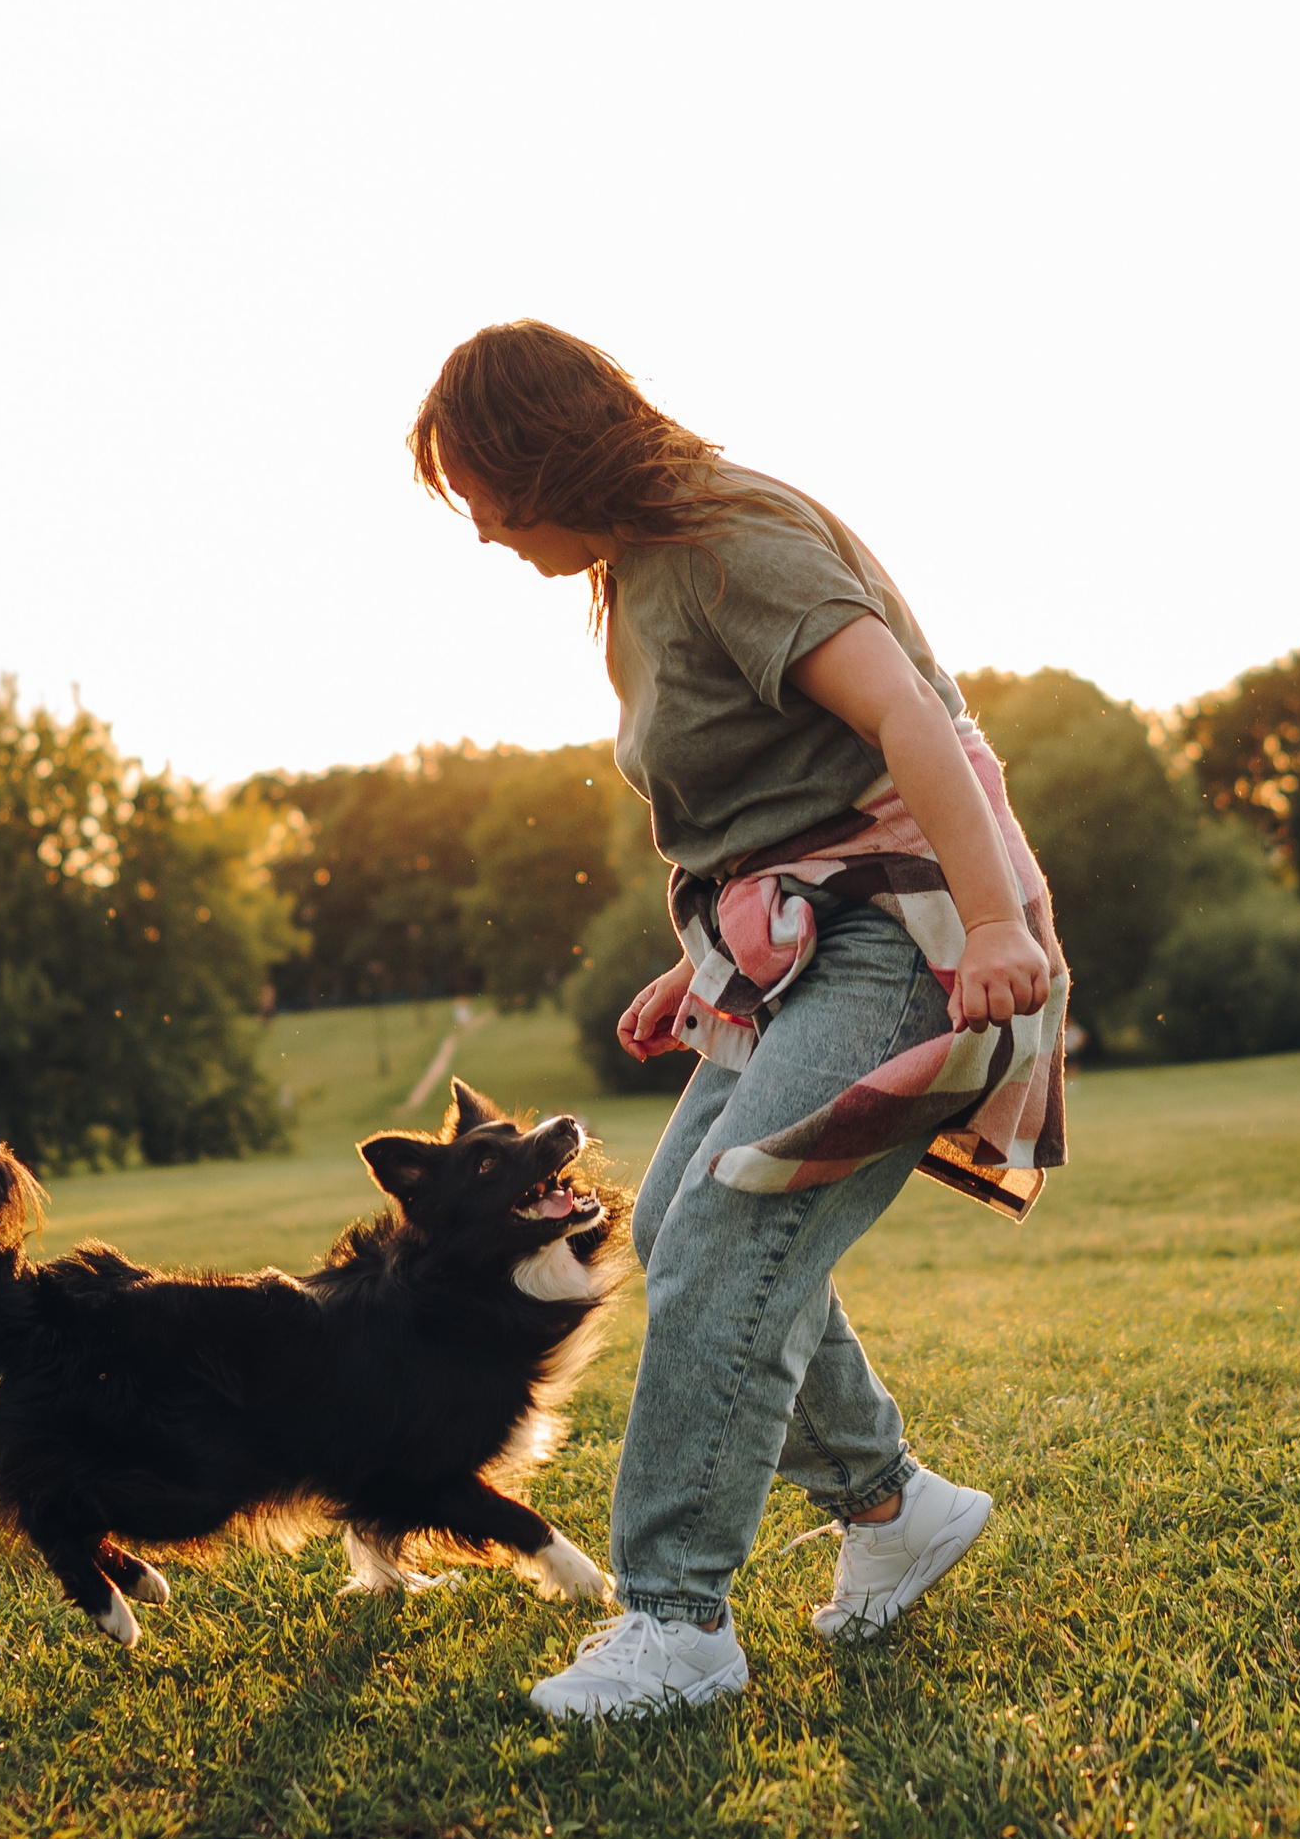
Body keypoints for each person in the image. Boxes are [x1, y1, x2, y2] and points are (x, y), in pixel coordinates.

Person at [411, 320, 1069, 1721]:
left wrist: (1001, 925)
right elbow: (772, 804)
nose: (478, 529)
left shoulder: (727, 538)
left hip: (912, 935)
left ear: (543, 456)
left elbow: (910, 724)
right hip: (812, 945)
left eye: (481, 490)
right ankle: (890, 1509)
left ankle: (677, 1624)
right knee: (680, 1224)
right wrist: (702, 958)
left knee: (724, 1228)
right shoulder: (640, 573)